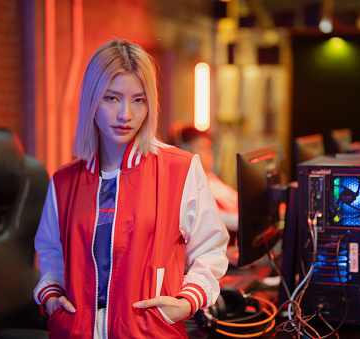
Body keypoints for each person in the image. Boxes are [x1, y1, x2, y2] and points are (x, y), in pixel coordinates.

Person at [33, 39, 229, 338]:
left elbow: (210, 248)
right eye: (112, 98)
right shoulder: (64, 181)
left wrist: (188, 302)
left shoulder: (179, 169)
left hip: (150, 332)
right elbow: (51, 253)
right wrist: (50, 298)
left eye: (138, 100)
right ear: (91, 100)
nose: (126, 114)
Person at [170, 125, 239, 234]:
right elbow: (216, 217)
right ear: (185, 150)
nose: (209, 152)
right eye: (202, 147)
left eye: (208, 147)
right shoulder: (189, 188)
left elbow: (236, 199)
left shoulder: (210, 177)